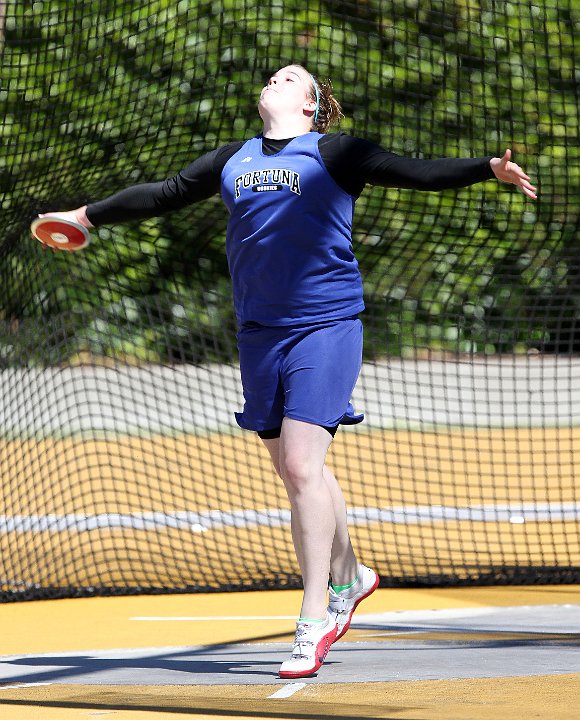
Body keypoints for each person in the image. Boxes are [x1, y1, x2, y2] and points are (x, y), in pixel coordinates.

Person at [38, 64, 537, 679]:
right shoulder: (232, 159)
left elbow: (414, 171)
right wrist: (87, 215)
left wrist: (486, 168)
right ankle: (352, 577)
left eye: (290, 78)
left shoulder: (335, 151)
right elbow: (163, 193)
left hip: (327, 324)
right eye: (273, 76)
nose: (276, 79)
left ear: (309, 104)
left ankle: (314, 617)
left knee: (302, 465)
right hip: (259, 332)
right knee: (296, 469)